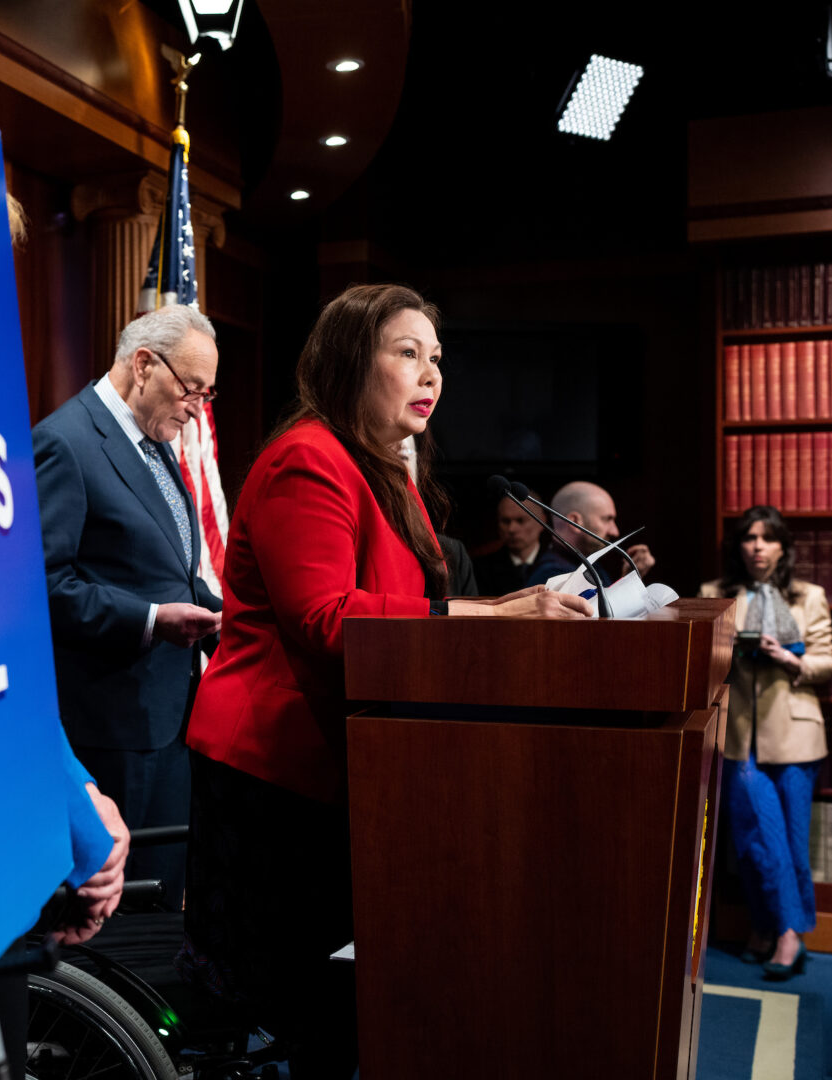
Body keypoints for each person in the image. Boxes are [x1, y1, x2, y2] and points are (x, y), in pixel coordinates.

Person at [182, 284, 589, 1075]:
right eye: (407, 353)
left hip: (343, 762)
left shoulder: (386, 470)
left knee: (330, 1001)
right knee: (282, 1000)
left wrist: (502, 606)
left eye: (437, 358)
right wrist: (493, 619)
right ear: (347, 361)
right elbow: (329, 618)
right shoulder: (309, 458)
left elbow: (412, 601)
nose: (430, 374)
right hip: (272, 766)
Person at [32, 303, 224, 911]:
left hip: (169, 717)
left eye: (206, 393)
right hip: (108, 729)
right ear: (143, 364)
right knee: (119, 916)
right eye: (191, 389)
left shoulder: (154, 439)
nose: (198, 408)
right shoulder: (65, 441)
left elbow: (165, 566)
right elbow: (44, 583)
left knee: (163, 898)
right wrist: (149, 620)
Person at [699, 506, 832, 980]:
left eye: (767, 538)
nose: (757, 546)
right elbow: (701, 662)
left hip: (796, 735)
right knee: (755, 841)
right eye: (749, 537)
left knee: (791, 842)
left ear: (782, 546)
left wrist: (788, 657)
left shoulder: (808, 596)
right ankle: (775, 928)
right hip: (739, 738)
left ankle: (781, 933)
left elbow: (825, 662)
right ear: (738, 547)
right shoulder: (715, 595)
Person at [525, 480, 656, 588]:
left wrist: (628, 577)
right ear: (574, 522)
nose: (614, 531)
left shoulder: (586, 564)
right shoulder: (553, 576)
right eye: (607, 519)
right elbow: (604, 618)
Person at [474, 493, 546, 596]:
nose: (511, 529)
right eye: (505, 521)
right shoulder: (480, 569)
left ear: (542, 521)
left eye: (520, 520)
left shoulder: (560, 564)